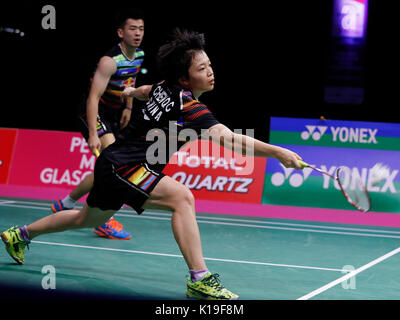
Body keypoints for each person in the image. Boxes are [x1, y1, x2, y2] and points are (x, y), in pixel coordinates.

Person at [1, 29, 303, 300]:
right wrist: (278, 153)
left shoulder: (165, 87)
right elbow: (228, 139)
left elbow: (148, 90)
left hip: (113, 163)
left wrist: (132, 92)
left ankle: (20, 235)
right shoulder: (190, 107)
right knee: (183, 199)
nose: (211, 72)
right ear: (184, 78)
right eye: (202, 68)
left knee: (86, 220)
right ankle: (200, 278)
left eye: (209, 65)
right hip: (125, 167)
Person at [51, 8, 146, 240]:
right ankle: (103, 220)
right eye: (132, 29)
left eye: (141, 29)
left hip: (114, 112)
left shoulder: (139, 55)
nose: (137, 33)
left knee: (108, 164)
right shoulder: (109, 61)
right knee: (115, 166)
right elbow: (93, 97)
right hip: (93, 111)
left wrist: (129, 107)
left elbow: (131, 81)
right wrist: (93, 131)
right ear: (120, 33)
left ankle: (65, 203)